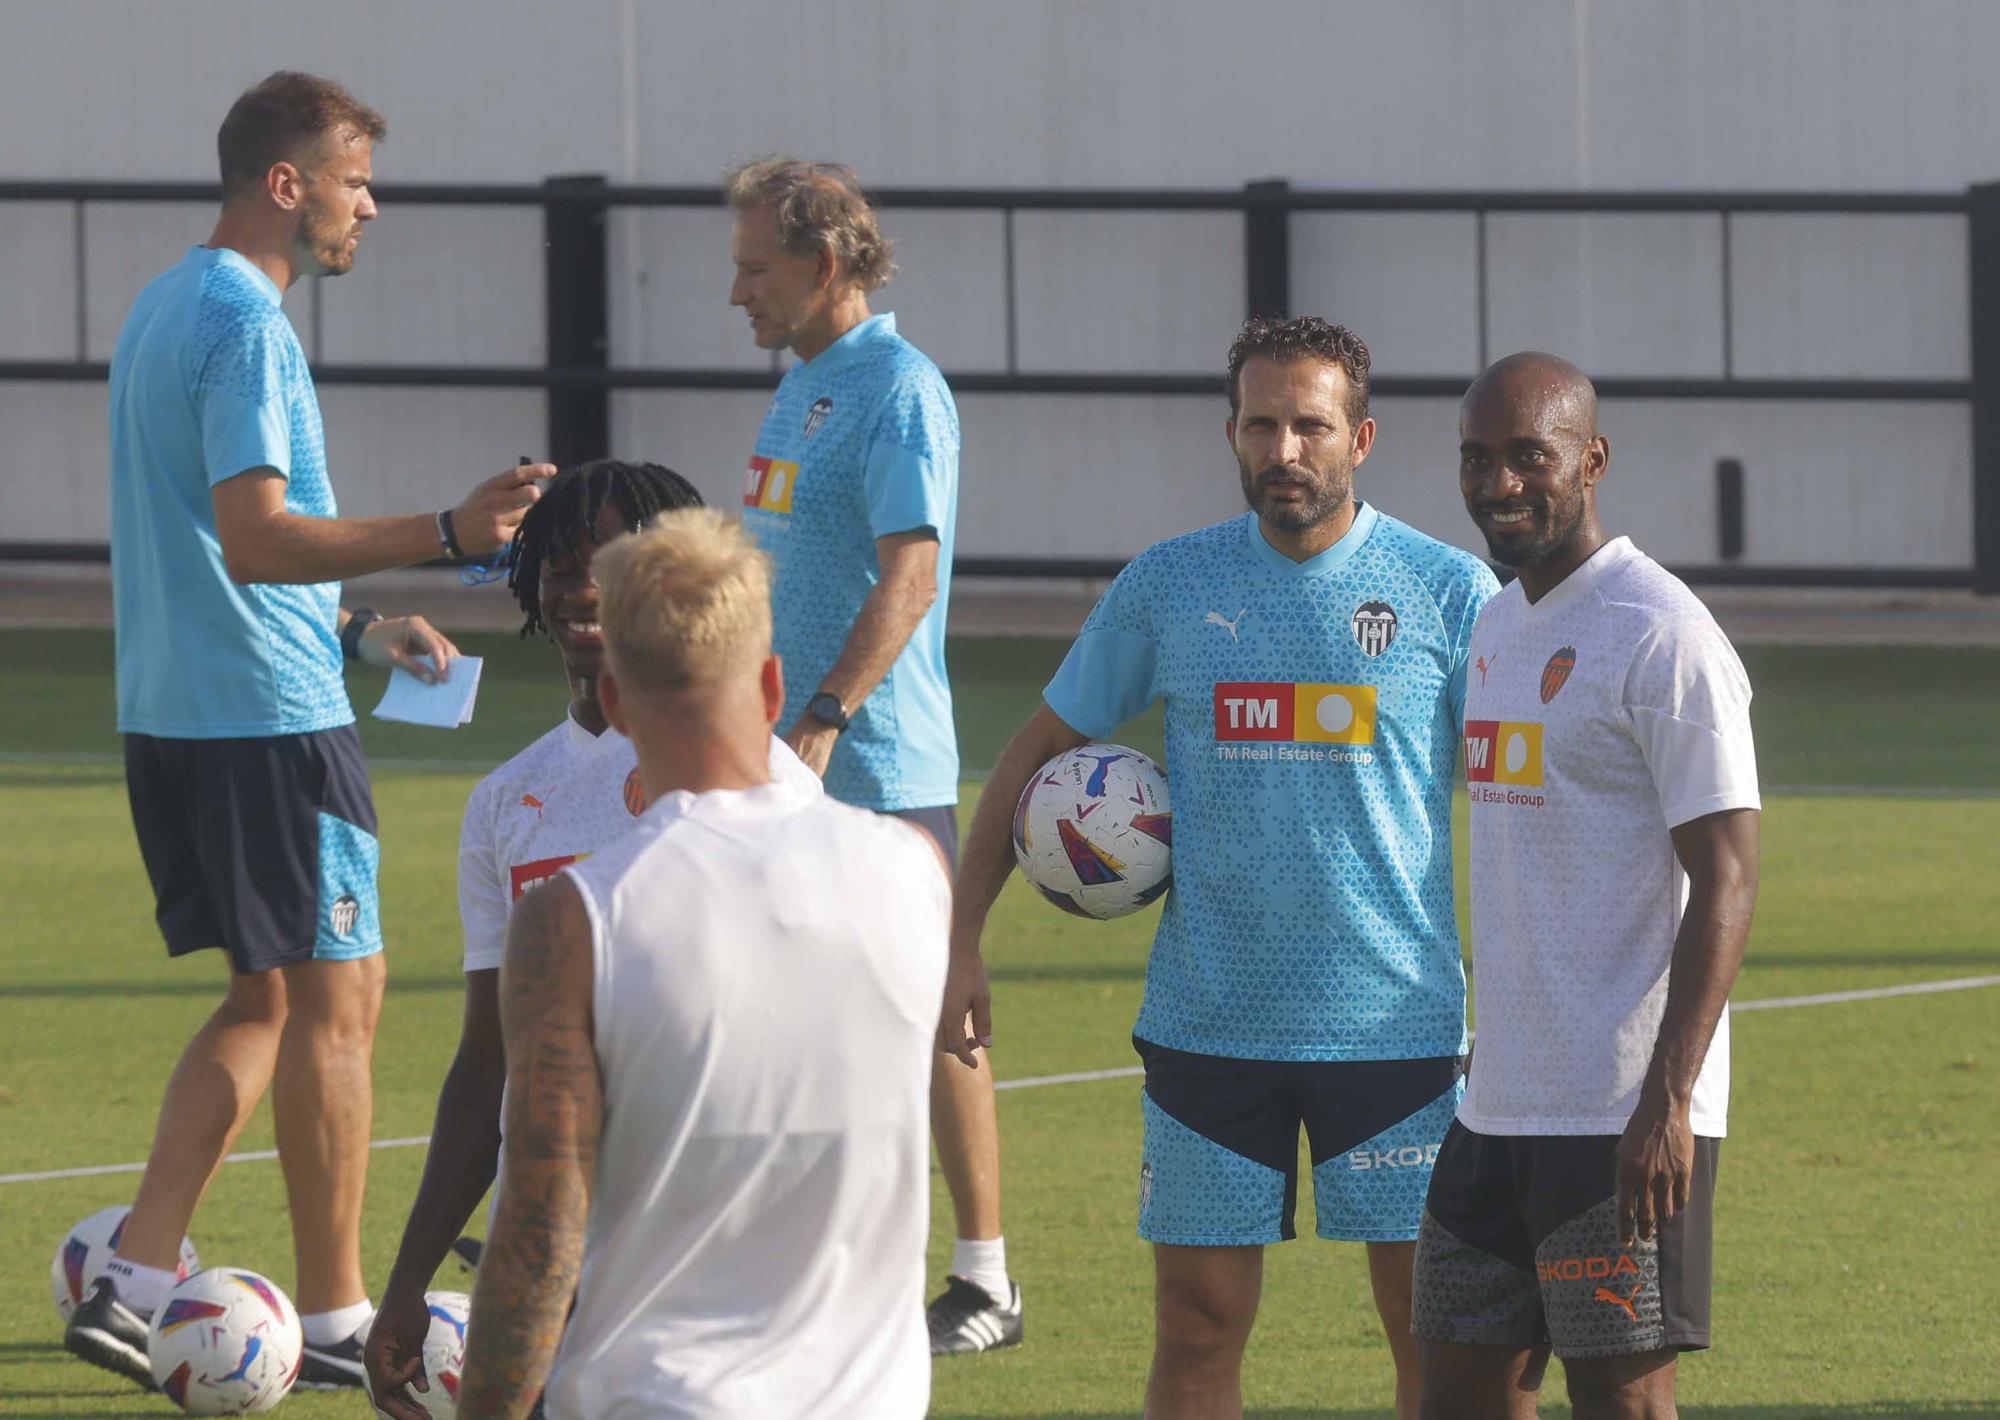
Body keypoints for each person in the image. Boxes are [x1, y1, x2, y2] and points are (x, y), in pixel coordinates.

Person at [68, 71, 553, 1389]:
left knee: (269, 996)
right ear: (287, 187)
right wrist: (451, 535)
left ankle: (134, 1272)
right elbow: (254, 533)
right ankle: (337, 1317)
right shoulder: (249, 326)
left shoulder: (168, 304)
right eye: (352, 182)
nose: (368, 206)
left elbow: (214, 547)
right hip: (267, 727)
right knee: (343, 1001)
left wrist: (357, 630)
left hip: (181, 709)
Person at [940, 315, 1499, 1419]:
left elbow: (1526, 798)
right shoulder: (1168, 583)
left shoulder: (1448, 593)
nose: (1283, 450)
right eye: (1261, 425)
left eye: (1309, 425)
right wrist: (957, 940)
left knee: (1431, 1331)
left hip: (1394, 1028)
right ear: (1230, 433)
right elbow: (1031, 755)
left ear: (1361, 437)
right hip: (1208, 1026)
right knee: (1194, 1324)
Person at [455, 508, 948, 1418]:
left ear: (613, 701)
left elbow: (538, 1224)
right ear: (770, 685)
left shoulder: (573, 919)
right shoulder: (915, 870)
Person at [362, 461, 823, 1416]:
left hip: (715, 1258)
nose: (582, 588)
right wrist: (407, 1278)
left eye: (613, 561)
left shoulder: (759, 774)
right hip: (553, 1253)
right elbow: (486, 1062)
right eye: (560, 564)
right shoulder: (503, 805)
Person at [1411, 353, 1761, 1419]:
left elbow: (1729, 875)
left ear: (1590, 459)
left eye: (1529, 455)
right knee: (1455, 1395)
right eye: (1477, 458)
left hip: (1617, 1110)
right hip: (1499, 1101)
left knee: (1620, 1402)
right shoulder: (1497, 621)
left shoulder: (1662, 633)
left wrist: (1665, 1100)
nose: (1498, 482)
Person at [725, 154, 1020, 1354]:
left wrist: (827, 711)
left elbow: (912, 572)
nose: (735, 292)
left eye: (753, 268)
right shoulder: (799, 387)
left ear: (825, 263)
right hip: (777, 761)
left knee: (932, 1010)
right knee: (779, 1008)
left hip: (874, 763)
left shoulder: (898, 387)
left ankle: (986, 1280)